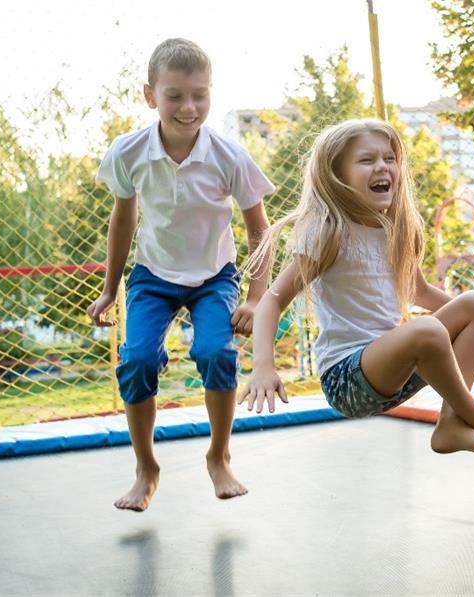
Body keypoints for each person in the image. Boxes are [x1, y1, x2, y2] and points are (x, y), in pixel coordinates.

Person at [239, 119, 474, 457]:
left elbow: (421, 293)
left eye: (389, 158)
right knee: (427, 330)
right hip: (347, 378)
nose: (382, 167)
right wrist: (263, 366)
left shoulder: (397, 231)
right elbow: (273, 300)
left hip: (397, 371)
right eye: (366, 160)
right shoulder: (326, 231)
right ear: (337, 175)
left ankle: (451, 425)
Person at [86, 38, 275, 512]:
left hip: (215, 275)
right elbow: (123, 219)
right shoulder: (129, 153)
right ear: (150, 95)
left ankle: (219, 455)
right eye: (175, 96)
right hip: (153, 274)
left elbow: (260, 232)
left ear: (211, 93)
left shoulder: (229, 156)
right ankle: (146, 468)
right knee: (137, 362)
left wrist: (255, 297)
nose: (189, 107)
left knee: (216, 352)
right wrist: (111, 289)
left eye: (200, 94)